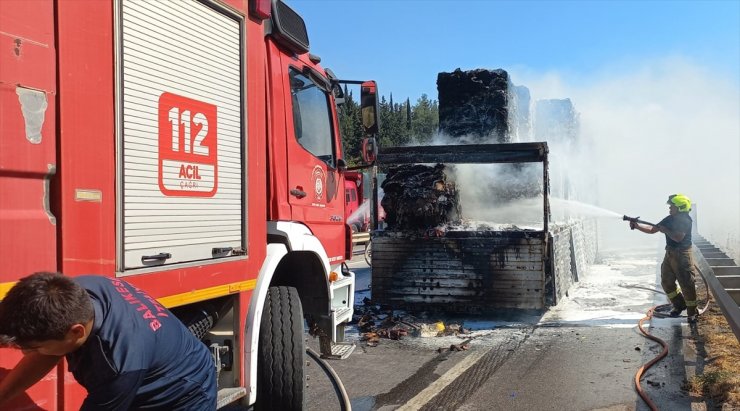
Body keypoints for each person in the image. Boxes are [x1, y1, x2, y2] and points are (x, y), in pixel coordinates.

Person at [0, 272, 217, 410]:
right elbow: (45, 352)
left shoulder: (117, 365)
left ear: (76, 332)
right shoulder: (72, 294)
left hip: (184, 396)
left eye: (34, 347)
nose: (27, 354)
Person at [628, 194, 699, 322]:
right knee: (666, 282)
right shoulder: (669, 219)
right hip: (670, 254)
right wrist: (637, 226)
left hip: (683, 255)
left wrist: (665, 230)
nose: (670, 208)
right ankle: (679, 305)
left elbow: (678, 237)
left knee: (687, 285)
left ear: (680, 207)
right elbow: (652, 229)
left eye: (672, 206)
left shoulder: (685, 220)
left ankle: (692, 313)